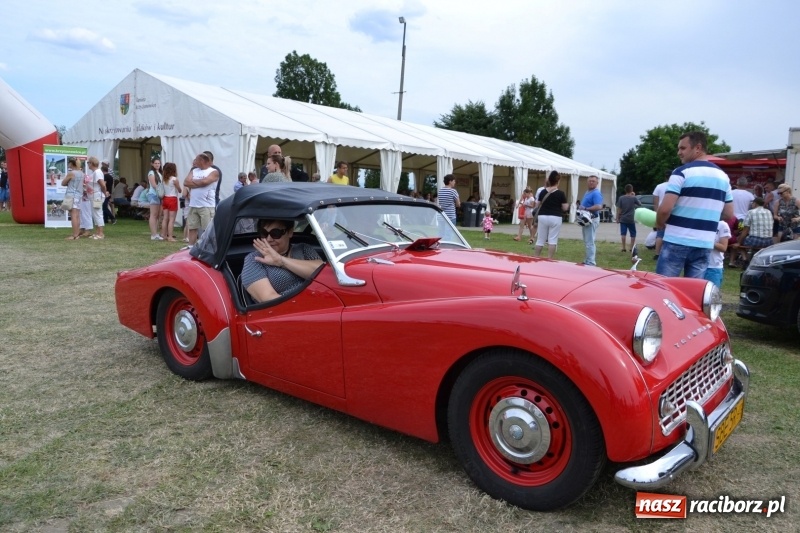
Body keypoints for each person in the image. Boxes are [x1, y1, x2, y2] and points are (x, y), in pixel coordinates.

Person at [656, 131, 733, 279]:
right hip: (704, 243)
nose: (679, 152)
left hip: (677, 240)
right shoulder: (723, 177)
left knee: (664, 288)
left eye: (683, 148)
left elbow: (665, 209)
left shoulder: (681, 172)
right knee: (693, 292)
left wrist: (659, 223)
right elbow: (729, 213)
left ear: (697, 148)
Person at [241, 219, 323, 303]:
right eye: (264, 233)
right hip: (289, 311)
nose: (269, 239)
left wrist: (280, 260)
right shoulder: (254, 259)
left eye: (275, 233)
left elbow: (323, 274)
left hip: (322, 302)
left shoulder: (303, 249)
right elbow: (268, 299)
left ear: (290, 232)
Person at [183, 152, 219, 245]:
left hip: (206, 206)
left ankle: (208, 247)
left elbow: (205, 181)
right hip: (193, 204)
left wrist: (194, 182)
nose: (194, 161)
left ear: (202, 160)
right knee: (192, 228)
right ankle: (191, 246)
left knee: (207, 229)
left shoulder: (214, 172)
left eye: (197, 159)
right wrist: (200, 183)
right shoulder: (194, 170)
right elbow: (186, 182)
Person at [533, 171, 569, 259]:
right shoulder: (561, 193)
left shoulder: (542, 192)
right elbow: (565, 208)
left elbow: (537, 204)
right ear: (558, 181)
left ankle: (536, 257)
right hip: (555, 216)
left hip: (543, 216)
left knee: (540, 239)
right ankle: (549, 259)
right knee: (552, 239)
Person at [579, 174, 604, 266]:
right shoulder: (588, 192)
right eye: (589, 181)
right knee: (587, 241)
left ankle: (591, 262)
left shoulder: (596, 193)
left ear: (597, 183)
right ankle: (587, 259)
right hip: (586, 219)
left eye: (593, 181)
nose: (591, 182)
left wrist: (586, 208)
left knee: (590, 241)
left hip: (592, 219)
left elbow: (598, 206)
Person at [61, 158, 85, 240]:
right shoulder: (82, 173)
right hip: (78, 195)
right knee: (77, 215)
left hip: (72, 195)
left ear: (71, 164)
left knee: (73, 215)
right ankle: (77, 233)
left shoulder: (71, 173)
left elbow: (63, 183)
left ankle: (75, 235)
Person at [703, 218, 731, 288]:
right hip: (697, 265)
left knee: (711, 295)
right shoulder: (701, 220)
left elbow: (723, 247)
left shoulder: (722, 225)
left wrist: (707, 242)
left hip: (713, 267)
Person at [159, 162, 182, 241]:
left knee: (165, 218)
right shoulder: (174, 179)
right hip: (172, 199)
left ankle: (163, 234)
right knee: (172, 219)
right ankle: (170, 236)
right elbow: (179, 190)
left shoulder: (164, 179)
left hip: (165, 198)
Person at [616, 184, 641, 252]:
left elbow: (619, 209)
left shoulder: (621, 198)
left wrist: (617, 218)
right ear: (632, 190)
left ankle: (623, 248)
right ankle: (631, 247)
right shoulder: (633, 198)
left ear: (625, 190)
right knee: (633, 234)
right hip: (631, 219)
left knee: (623, 233)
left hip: (623, 218)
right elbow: (639, 204)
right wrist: (634, 195)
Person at [651, 171, 670, 260]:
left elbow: (655, 202)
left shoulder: (659, 186)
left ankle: (657, 253)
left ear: (665, 177)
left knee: (660, 234)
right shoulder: (676, 186)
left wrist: (656, 213)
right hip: (672, 212)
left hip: (661, 212)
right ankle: (668, 253)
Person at [146, 158, 164, 241]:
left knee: (157, 215)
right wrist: (161, 191)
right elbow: (154, 185)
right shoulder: (151, 173)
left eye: (158, 163)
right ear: (152, 164)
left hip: (158, 195)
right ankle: (153, 234)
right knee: (153, 215)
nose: (157, 165)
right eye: (156, 163)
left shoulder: (159, 172)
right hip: (153, 194)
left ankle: (155, 233)